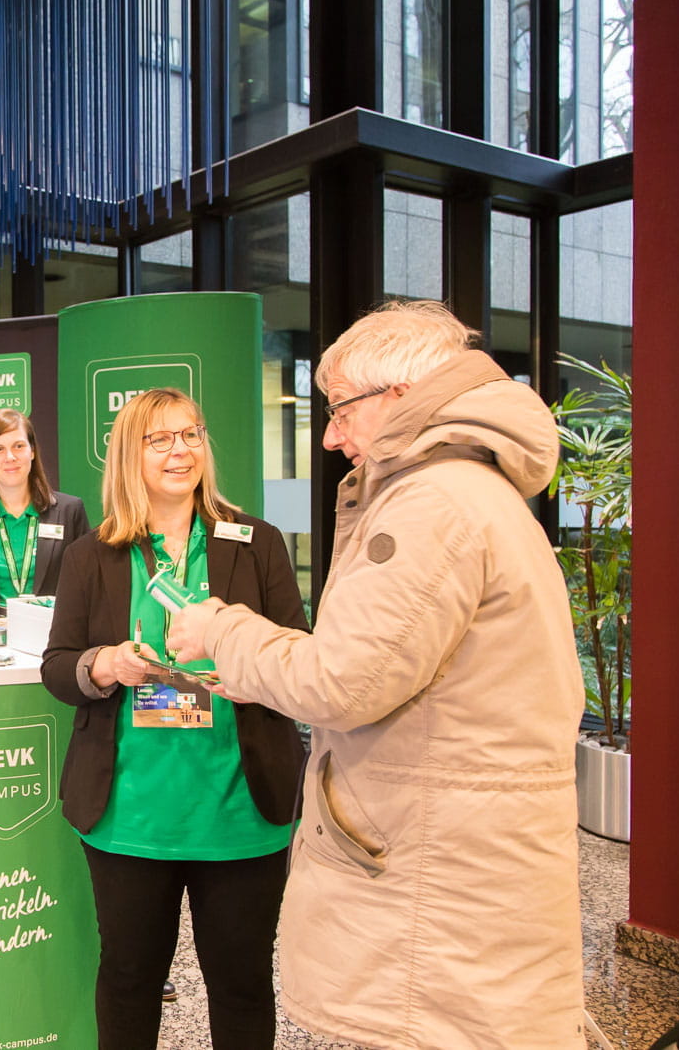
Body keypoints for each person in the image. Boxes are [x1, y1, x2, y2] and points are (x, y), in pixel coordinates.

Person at [166, 300, 586, 1048]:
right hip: (466, 868)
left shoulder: (432, 504)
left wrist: (220, 630)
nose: (328, 436)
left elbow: (342, 681)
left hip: (437, 887)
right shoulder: (477, 494)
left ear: (399, 397)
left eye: (339, 410)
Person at [40, 388, 308, 1050]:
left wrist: (246, 673)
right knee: (129, 980)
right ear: (129, 454)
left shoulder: (256, 542)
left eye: (191, 434)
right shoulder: (91, 555)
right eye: (159, 438)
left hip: (240, 812)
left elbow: (299, 658)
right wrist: (104, 663)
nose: (180, 450)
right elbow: (58, 665)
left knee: (242, 983)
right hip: (130, 815)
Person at [0, 408, 89, 615]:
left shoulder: (69, 511)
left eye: (18, 446)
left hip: (52, 637)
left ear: (32, 451)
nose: (10, 457)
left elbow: (87, 582)